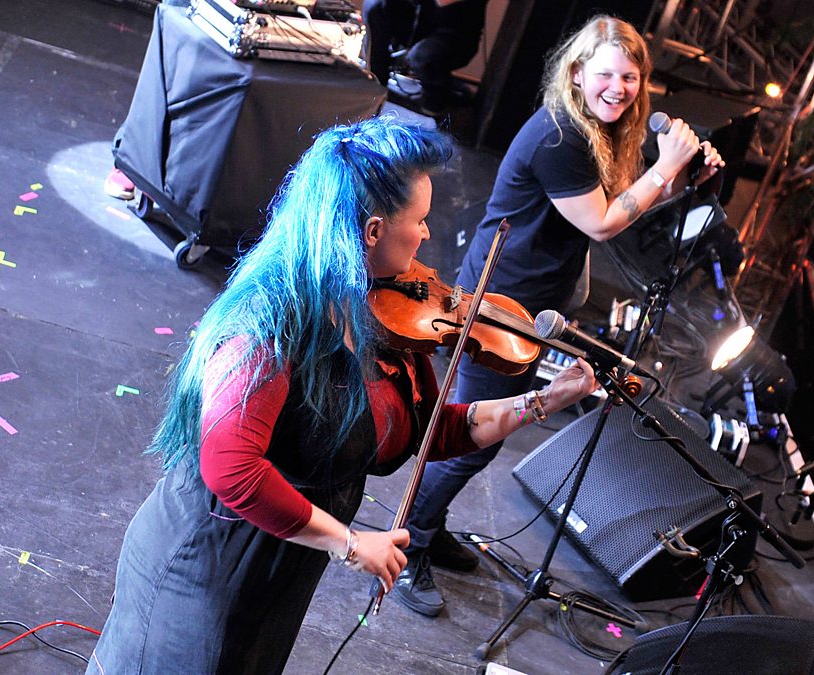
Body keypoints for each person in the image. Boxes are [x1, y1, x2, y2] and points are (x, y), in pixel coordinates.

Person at [86, 115, 599, 674]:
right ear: (373, 231)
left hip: (284, 565)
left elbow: (432, 430)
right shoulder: (268, 322)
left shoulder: (384, 314)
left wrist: (543, 401)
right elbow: (231, 469)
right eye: (420, 221)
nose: (428, 236)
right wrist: (350, 545)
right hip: (206, 567)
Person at [391, 15, 726, 617]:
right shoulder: (559, 137)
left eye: (630, 78)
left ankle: (427, 527)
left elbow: (624, 204)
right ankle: (408, 540)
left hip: (536, 304)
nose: (618, 89)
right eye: (606, 75)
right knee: (475, 435)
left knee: (486, 434)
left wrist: (682, 177)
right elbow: (603, 222)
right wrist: (665, 167)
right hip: (501, 302)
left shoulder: (602, 132)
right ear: (576, 73)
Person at [362, 0, 488, 114]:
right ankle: (376, 83)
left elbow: (443, 2)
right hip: (419, 19)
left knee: (423, 56)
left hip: (455, 33)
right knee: (374, 5)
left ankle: (435, 104)